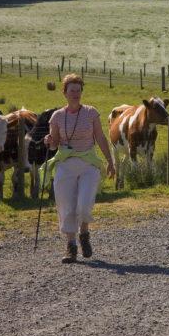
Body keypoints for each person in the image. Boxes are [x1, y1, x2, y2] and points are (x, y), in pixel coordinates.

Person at [42, 73, 115, 263]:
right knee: (66, 207)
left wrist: (109, 161)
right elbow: (54, 144)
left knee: (84, 204)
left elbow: (100, 137)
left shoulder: (91, 113)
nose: (76, 94)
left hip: (88, 163)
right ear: (64, 93)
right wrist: (48, 141)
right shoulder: (57, 116)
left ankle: (84, 233)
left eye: (78, 90)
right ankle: (71, 246)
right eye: (72, 90)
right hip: (65, 164)